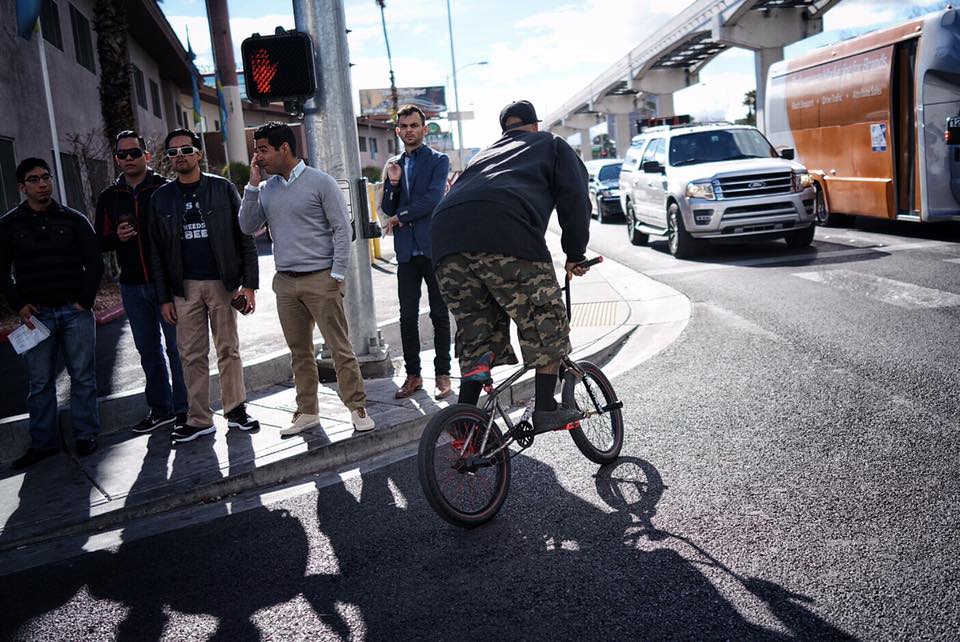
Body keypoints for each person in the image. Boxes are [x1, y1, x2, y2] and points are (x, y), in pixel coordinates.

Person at [431, 100, 593, 433]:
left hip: (446, 242)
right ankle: (547, 408)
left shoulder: (483, 155)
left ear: (504, 130)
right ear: (535, 125)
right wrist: (575, 253)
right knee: (546, 322)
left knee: (478, 331)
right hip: (507, 237)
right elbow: (575, 198)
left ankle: (465, 421)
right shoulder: (550, 144)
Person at [239, 122, 375, 435]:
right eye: (256, 151)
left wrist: (337, 273)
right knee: (299, 352)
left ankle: (357, 408)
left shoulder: (320, 182)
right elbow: (247, 226)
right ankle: (307, 411)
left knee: (340, 348)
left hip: (321, 279)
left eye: (262, 150)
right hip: (285, 282)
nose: (258, 157)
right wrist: (251, 185)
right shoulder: (266, 189)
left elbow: (344, 229)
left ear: (283, 148)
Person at [148, 128, 260, 444]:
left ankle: (236, 410)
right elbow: (155, 252)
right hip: (182, 288)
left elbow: (245, 237)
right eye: (173, 152)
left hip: (222, 283)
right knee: (191, 354)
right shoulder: (161, 198)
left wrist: (249, 286)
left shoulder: (222, 189)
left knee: (228, 349)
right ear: (169, 160)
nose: (180, 156)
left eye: (186, 149)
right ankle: (199, 419)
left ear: (198, 153)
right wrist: (163, 298)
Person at [0, 158, 104, 468]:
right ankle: (44, 443)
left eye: (46, 177)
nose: (43, 183)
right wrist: (19, 304)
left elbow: (94, 263)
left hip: (75, 313)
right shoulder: (8, 225)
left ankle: (86, 435)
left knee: (83, 378)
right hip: (37, 318)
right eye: (34, 179)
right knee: (40, 383)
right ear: (22, 187)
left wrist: (83, 301)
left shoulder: (74, 220)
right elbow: (1, 272)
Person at [94, 130, 187, 434]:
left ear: (146, 156)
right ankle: (161, 409)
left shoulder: (165, 189)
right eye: (122, 155)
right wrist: (115, 238)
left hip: (169, 285)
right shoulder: (109, 197)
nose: (129, 159)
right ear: (117, 159)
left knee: (178, 348)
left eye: (135, 153)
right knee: (148, 350)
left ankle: (186, 409)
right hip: (132, 286)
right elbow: (100, 241)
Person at [380, 104, 453, 400]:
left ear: (424, 129)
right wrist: (394, 184)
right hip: (406, 252)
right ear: (398, 131)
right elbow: (387, 207)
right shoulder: (393, 164)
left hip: (433, 247)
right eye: (404, 126)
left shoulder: (439, 160)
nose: (409, 130)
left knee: (439, 314)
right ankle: (413, 376)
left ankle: (443, 375)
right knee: (407, 317)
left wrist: (401, 216)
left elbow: (433, 199)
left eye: (414, 125)